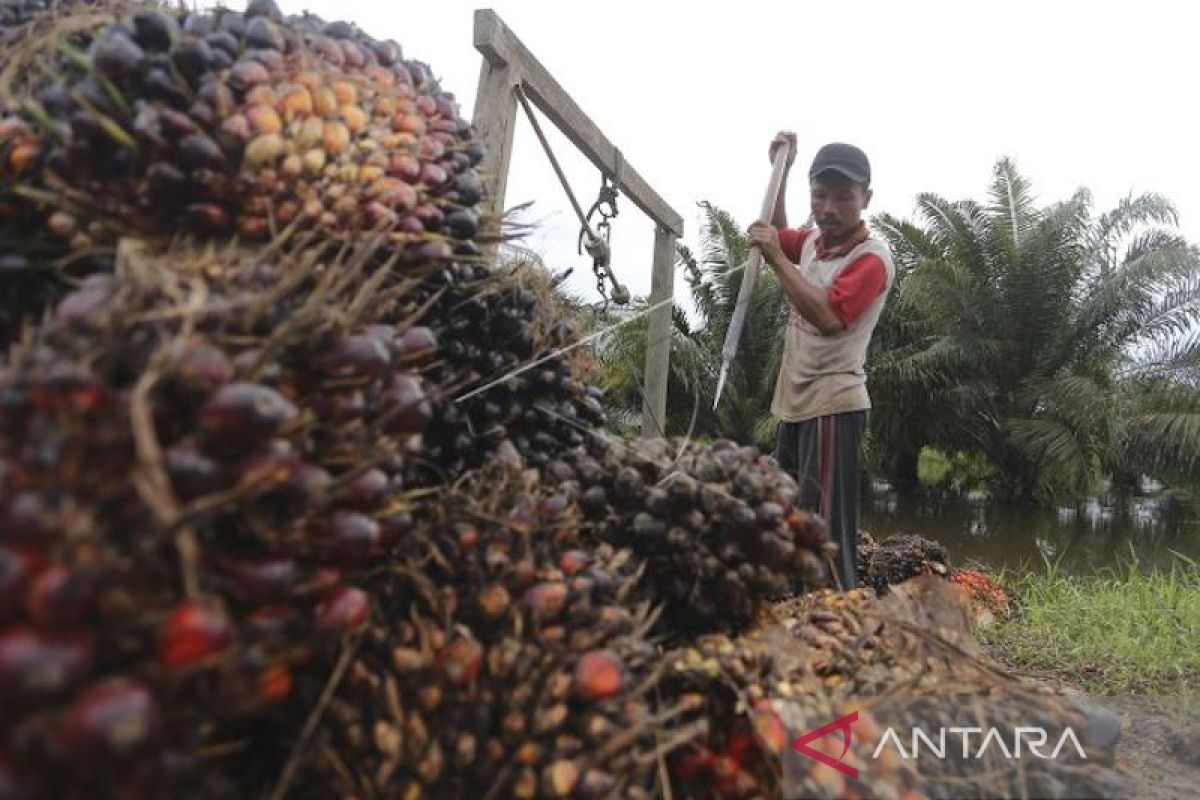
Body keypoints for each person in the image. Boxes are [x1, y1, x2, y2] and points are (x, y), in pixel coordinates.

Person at [747, 133, 894, 590]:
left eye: (843, 198)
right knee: (789, 513)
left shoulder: (871, 258)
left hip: (834, 406)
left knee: (826, 529)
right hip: (795, 403)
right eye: (820, 196)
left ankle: (838, 618)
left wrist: (773, 256)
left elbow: (829, 316)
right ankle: (797, 606)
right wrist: (782, 172)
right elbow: (778, 231)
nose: (828, 208)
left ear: (866, 198)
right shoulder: (812, 243)